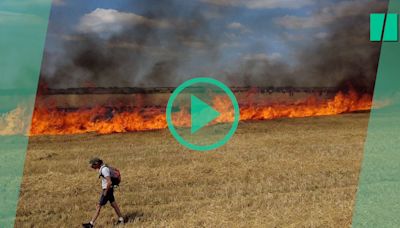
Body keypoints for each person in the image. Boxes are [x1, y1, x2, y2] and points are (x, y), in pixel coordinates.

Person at [83, 158, 124, 227]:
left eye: (93, 165)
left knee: (98, 206)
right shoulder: (104, 168)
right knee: (113, 204)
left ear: (97, 164)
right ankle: (121, 219)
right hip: (109, 189)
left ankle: (91, 224)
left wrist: (105, 192)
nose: (92, 167)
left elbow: (109, 182)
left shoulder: (104, 170)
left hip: (107, 189)